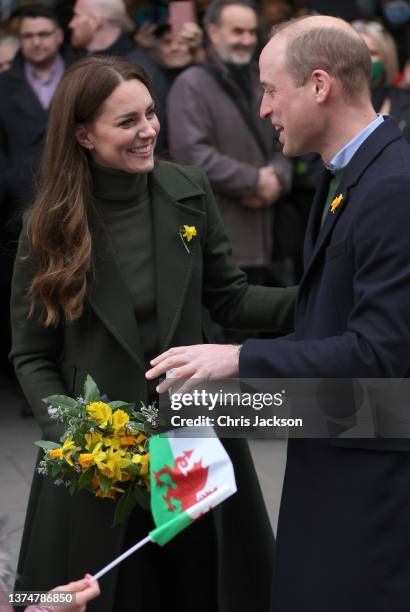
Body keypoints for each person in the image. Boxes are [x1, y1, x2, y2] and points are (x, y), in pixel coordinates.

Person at [10, 55, 297, 612]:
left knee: (198, 586)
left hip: (188, 442)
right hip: (95, 462)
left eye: (150, 114)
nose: (148, 131)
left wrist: (322, 300)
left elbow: (231, 298)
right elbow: (31, 354)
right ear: (84, 135)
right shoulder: (46, 226)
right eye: (127, 122)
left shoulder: (187, 188)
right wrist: (79, 441)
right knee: (112, 594)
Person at [146, 15, 410, 612]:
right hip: (340, 455)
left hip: (370, 485)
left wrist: (241, 357)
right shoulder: (348, 171)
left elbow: (379, 352)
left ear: (320, 85)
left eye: (270, 90)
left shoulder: (391, 187)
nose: (263, 108)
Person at [167, 0, 293, 286]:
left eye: (251, 32)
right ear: (213, 32)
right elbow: (192, 155)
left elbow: (284, 136)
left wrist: (278, 176)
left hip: (272, 235)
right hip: (225, 237)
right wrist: (254, 181)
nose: (247, 40)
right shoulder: (191, 85)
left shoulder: (259, 80)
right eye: (238, 31)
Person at [352, 19, 410, 141]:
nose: (363, 59)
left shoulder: (405, 104)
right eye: (356, 52)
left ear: (386, 57)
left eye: (371, 53)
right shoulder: (328, 100)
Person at [69, 0, 133, 56]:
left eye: (77, 15)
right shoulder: (78, 51)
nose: (71, 24)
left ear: (95, 22)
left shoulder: (126, 67)